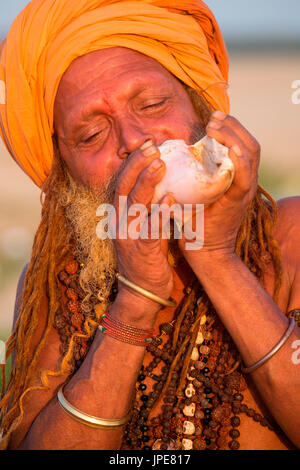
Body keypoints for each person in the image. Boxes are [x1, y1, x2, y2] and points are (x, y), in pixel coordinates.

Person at [0, 0, 299, 451]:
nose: (135, 140)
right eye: (91, 135)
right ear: (66, 177)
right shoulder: (64, 283)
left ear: (200, 106)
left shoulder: (290, 235)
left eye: (154, 104)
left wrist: (215, 258)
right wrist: (136, 299)